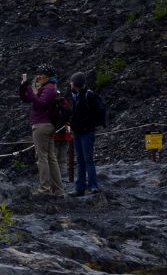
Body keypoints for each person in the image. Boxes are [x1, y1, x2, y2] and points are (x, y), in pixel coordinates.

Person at [19, 65, 63, 196]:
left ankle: (45, 189)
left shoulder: (48, 88)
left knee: (42, 157)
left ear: (48, 76)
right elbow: (27, 98)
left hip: (42, 125)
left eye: (41, 74)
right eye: (37, 74)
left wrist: (29, 89)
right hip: (47, 125)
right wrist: (23, 87)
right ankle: (58, 190)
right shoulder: (49, 87)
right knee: (50, 157)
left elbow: (39, 103)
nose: (38, 76)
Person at [67, 71, 106, 196]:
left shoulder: (88, 96)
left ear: (75, 82)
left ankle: (91, 186)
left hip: (86, 132)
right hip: (79, 132)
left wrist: (85, 124)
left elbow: (93, 113)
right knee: (81, 160)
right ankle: (81, 187)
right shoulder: (77, 95)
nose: (70, 83)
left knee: (87, 160)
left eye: (72, 81)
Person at [49, 76, 75, 187]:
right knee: (60, 158)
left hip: (58, 134)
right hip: (61, 134)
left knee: (56, 158)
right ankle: (60, 178)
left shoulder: (58, 103)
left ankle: (58, 179)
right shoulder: (62, 102)